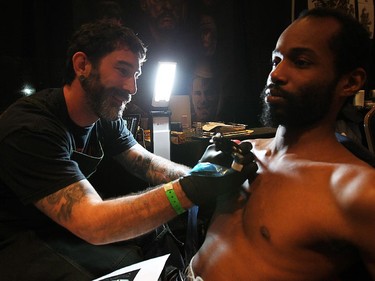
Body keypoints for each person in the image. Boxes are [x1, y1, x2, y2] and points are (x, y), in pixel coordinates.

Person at [0, 18, 255, 281]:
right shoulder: (30, 128)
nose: (132, 88)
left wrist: (202, 173)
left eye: (135, 75)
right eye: (122, 71)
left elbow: (144, 163)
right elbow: (92, 222)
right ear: (82, 65)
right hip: (16, 240)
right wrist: (191, 189)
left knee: (157, 240)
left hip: (59, 230)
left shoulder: (103, 116)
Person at [188, 8, 375, 281]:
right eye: (276, 60)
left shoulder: (358, 191)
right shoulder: (243, 151)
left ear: (350, 82)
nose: (276, 74)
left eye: (300, 62)